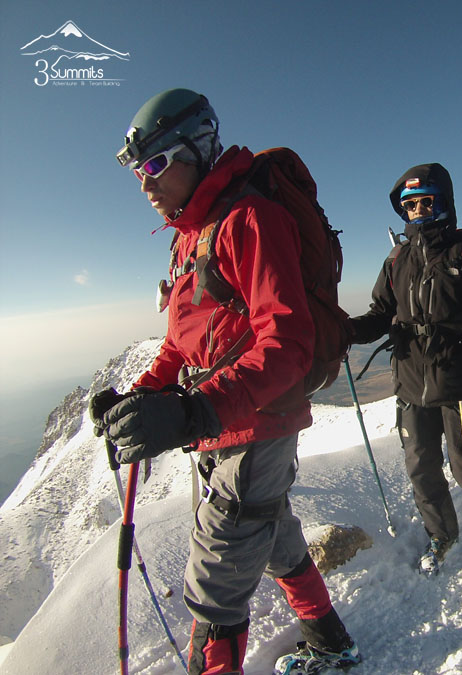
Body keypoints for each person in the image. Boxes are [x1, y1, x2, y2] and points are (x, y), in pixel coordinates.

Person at [90, 89, 359, 675]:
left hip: (256, 425)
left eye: (156, 164)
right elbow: (179, 342)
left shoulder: (249, 219)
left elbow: (287, 345)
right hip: (221, 424)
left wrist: (192, 412)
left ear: (198, 149)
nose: (145, 183)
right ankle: (332, 641)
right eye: (139, 170)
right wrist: (140, 396)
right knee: (278, 538)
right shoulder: (190, 238)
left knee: (213, 588)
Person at [348, 163, 462, 575]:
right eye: (410, 204)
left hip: (457, 377)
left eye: (426, 201)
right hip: (410, 379)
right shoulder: (398, 258)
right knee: (420, 465)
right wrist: (343, 331)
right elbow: (381, 314)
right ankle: (442, 533)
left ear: (443, 202)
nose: (418, 210)